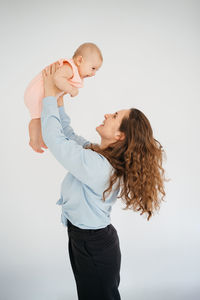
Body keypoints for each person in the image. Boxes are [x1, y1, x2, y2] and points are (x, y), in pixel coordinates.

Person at [41, 63, 166, 300]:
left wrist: (48, 90)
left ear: (120, 136)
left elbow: (56, 141)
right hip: (86, 239)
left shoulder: (99, 167)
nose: (108, 114)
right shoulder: (99, 156)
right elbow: (67, 135)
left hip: (93, 245)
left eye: (115, 116)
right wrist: (58, 98)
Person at [24, 42, 103, 153]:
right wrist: (71, 90)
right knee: (36, 118)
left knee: (39, 118)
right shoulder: (70, 67)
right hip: (36, 92)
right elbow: (57, 78)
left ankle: (40, 139)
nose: (94, 73)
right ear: (80, 61)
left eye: (96, 70)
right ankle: (33, 140)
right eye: (93, 68)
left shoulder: (74, 71)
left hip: (39, 93)